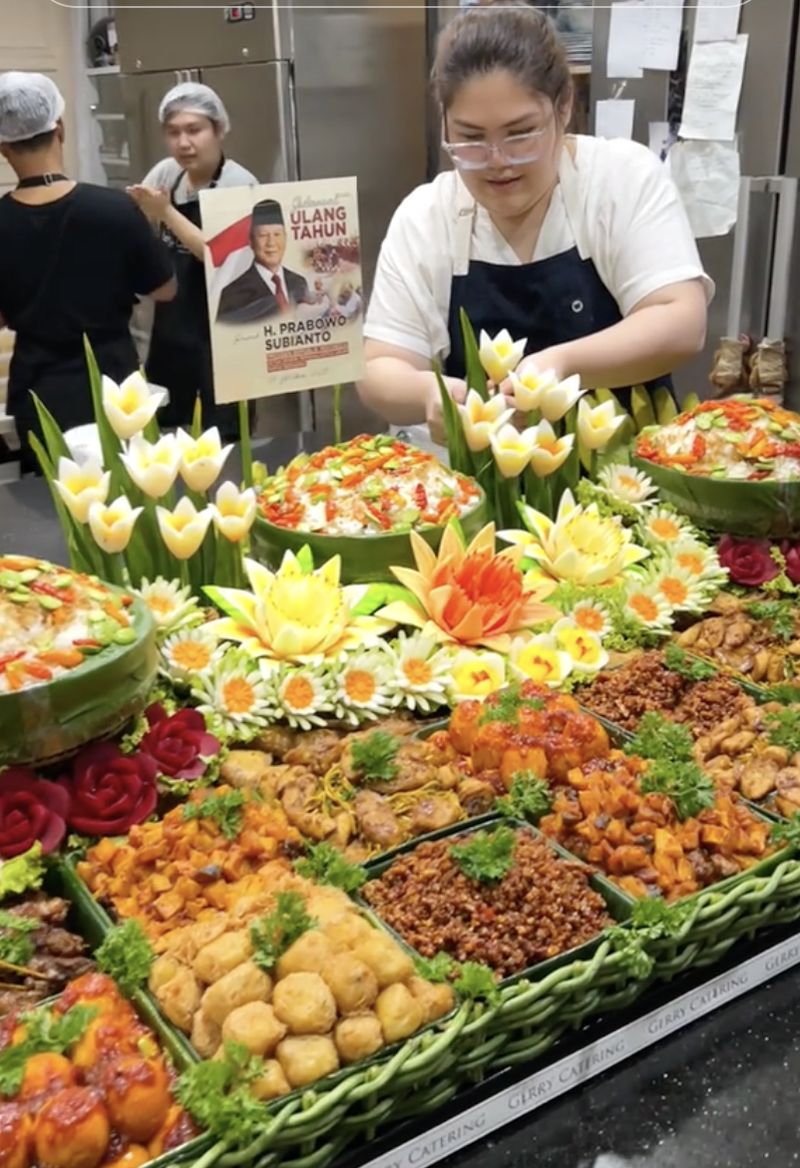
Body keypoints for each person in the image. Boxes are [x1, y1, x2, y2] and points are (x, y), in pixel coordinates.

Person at [359, 4, 711, 445]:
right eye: (470, 138)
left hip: (626, 470)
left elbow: (681, 320)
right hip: (478, 478)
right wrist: (430, 394)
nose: (498, 161)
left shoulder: (619, 179)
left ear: (563, 107)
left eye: (520, 133)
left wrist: (559, 366)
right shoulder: (426, 217)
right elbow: (379, 368)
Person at [0, 72, 175, 473]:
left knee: (52, 499)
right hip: (115, 388)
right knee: (127, 496)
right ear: (59, 128)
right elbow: (165, 289)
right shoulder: (114, 209)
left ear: (4, 147)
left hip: (39, 392)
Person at [127, 82, 256, 435]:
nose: (183, 143)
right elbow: (135, 221)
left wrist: (166, 212)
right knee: (167, 435)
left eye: (194, 130)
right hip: (171, 336)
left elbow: (219, 256)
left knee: (223, 441)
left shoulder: (239, 183)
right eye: (173, 133)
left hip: (227, 341)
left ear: (219, 130)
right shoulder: (167, 174)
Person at [216, 198, 312, 324]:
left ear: (285, 238)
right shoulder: (232, 294)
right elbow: (226, 333)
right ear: (251, 241)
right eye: (263, 235)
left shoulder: (299, 282)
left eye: (277, 234)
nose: (271, 243)